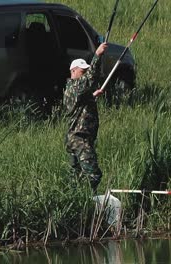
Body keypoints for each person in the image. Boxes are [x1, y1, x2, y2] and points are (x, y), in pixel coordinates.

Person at [63, 43, 107, 193]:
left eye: (85, 71)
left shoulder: (77, 91)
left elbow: (80, 100)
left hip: (75, 138)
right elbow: (90, 78)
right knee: (93, 174)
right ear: (73, 71)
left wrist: (92, 96)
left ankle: (73, 201)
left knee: (75, 177)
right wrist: (98, 55)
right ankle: (89, 202)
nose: (85, 74)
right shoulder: (75, 86)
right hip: (79, 138)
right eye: (82, 71)